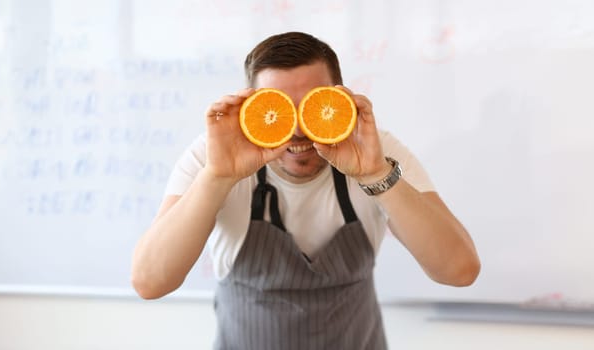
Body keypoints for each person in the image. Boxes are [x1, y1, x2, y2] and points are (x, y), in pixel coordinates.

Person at [131, 31, 480, 349]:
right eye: (278, 110)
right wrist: (218, 177)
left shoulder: (374, 150)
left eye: (315, 108)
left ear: (340, 101)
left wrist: (375, 174)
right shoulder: (214, 156)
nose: (298, 131)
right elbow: (150, 282)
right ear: (253, 108)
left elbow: (459, 270)